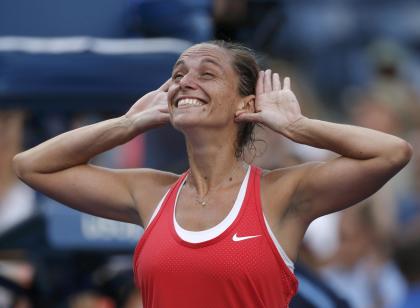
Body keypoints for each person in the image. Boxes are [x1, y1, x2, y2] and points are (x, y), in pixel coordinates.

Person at [13, 40, 412, 307]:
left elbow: (391, 153)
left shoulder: (281, 193)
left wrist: (295, 126)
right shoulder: (151, 192)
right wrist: (128, 124)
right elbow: (31, 165)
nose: (185, 81)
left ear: (245, 104)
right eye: (178, 74)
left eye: (206, 73)